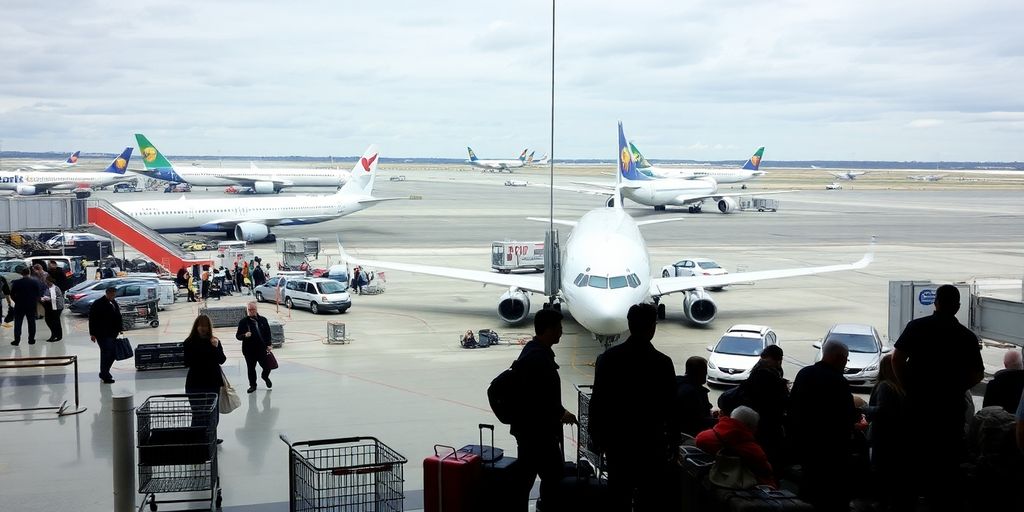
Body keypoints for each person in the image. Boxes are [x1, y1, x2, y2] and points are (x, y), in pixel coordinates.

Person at [891, 284, 984, 510]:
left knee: (912, 462)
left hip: (918, 407)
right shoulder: (966, 336)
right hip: (948, 410)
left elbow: (896, 360)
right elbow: (978, 374)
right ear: (958, 307)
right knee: (945, 467)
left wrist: (908, 387)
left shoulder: (916, 327)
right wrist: (956, 388)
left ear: (936, 302)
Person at [589, 303, 678, 511]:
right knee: (649, 498)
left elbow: (598, 402)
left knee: (618, 495)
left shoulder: (607, 359)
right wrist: (673, 443)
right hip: (651, 444)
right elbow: (671, 408)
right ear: (652, 328)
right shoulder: (663, 363)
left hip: (618, 444)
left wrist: (597, 439)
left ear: (629, 325)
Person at [509, 307, 576, 509]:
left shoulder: (533, 351)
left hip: (530, 432)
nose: (561, 332)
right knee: (553, 479)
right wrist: (559, 413)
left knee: (528, 479)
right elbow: (538, 398)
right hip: (539, 434)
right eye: (559, 328)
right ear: (548, 330)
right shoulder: (538, 358)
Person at [788, 341, 862, 512]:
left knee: (808, 485)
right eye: (846, 360)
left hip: (805, 444)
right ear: (838, 358)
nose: (845, 364)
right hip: (831, 449)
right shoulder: (838, 381)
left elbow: (793, 407)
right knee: (831, 494)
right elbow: (848, 415)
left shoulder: (804, 374)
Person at [862, 354, 912, 510]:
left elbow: (882, 411)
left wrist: (863, 409)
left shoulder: (885, 386)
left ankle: (880, 502)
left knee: (880, 470)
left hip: (882, 436)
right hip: (898, 437)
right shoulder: (902, 387)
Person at [695, 405, 776, 487]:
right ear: (750, 427)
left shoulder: (703, 437)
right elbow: (767, 474)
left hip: (709, 482)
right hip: (739, 488)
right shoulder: (754, 451)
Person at [737, 345, 790, 467]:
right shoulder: (767, 374)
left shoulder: (757, 370)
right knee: (769, 453)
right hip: (768, 421)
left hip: (756, 419)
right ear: (777, 359)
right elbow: (777, 400)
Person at [183, 314, 226, 438]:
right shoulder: (189, 342)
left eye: (205, 327)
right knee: (199, 414)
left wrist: (216, 347)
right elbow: (187, 362)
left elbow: (222, 359)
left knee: (211, 413)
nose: (203, 329)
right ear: (196, 327)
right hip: (197, 383)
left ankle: (210, 437)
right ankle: (199, 438)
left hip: (211, 383)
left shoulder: (214, 341)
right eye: (201, 327)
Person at [235, 301, 274, 393]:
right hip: (249, 351)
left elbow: (268, 333)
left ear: (256, 309)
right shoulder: (243, 322)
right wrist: (244, 335)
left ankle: (265, 376)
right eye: (249, 310)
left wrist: (269, 344)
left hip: (262, 349)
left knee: (267, 367)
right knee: (251, 369)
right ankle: (253, 385)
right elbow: (238, 336)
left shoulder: (263, 320)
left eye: (253, 309)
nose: (251, 311)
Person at [675, 356, 716, 438]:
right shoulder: (693, 393)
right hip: (691, 435)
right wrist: (721, 421)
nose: (706, 374)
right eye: (704, 371)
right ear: (699, 373)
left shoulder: (677, 384)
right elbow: (698, 421)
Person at [89, 287, 123, 383]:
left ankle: (104, 372)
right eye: (112, 294)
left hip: (113, 333)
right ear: (107, 293)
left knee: (112, 353)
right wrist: (92, 333)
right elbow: (92, 319)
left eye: (114, 294)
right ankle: (105, 374)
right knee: (106, 353)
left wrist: (120, 329)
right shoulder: (98, 304)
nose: (113, 296)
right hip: (102, 334)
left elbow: (118, 316)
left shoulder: (114, 303)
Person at [10, 268, 45, 345]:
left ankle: (17, 340)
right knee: (31, 322)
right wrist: (34, 300)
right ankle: (31, 339)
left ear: (22, 274)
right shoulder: (35, 282)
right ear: (29, 273)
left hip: (19, 305)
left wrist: (16, 300)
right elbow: (38, 293)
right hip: (31, 305)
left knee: (18, 323)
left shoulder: (17, 282)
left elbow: (12, 294)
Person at [40, 275, 65, 342]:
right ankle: (55, 334)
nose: (47, 283)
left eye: (48, 282)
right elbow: (45, 295)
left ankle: (57, 335)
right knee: (48, 320)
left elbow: (57, 298)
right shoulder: (47, 288)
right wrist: (44, 298)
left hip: (57, 307)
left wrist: (49, 299)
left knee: (55, 322)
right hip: (49, 307)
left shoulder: (56, 288)